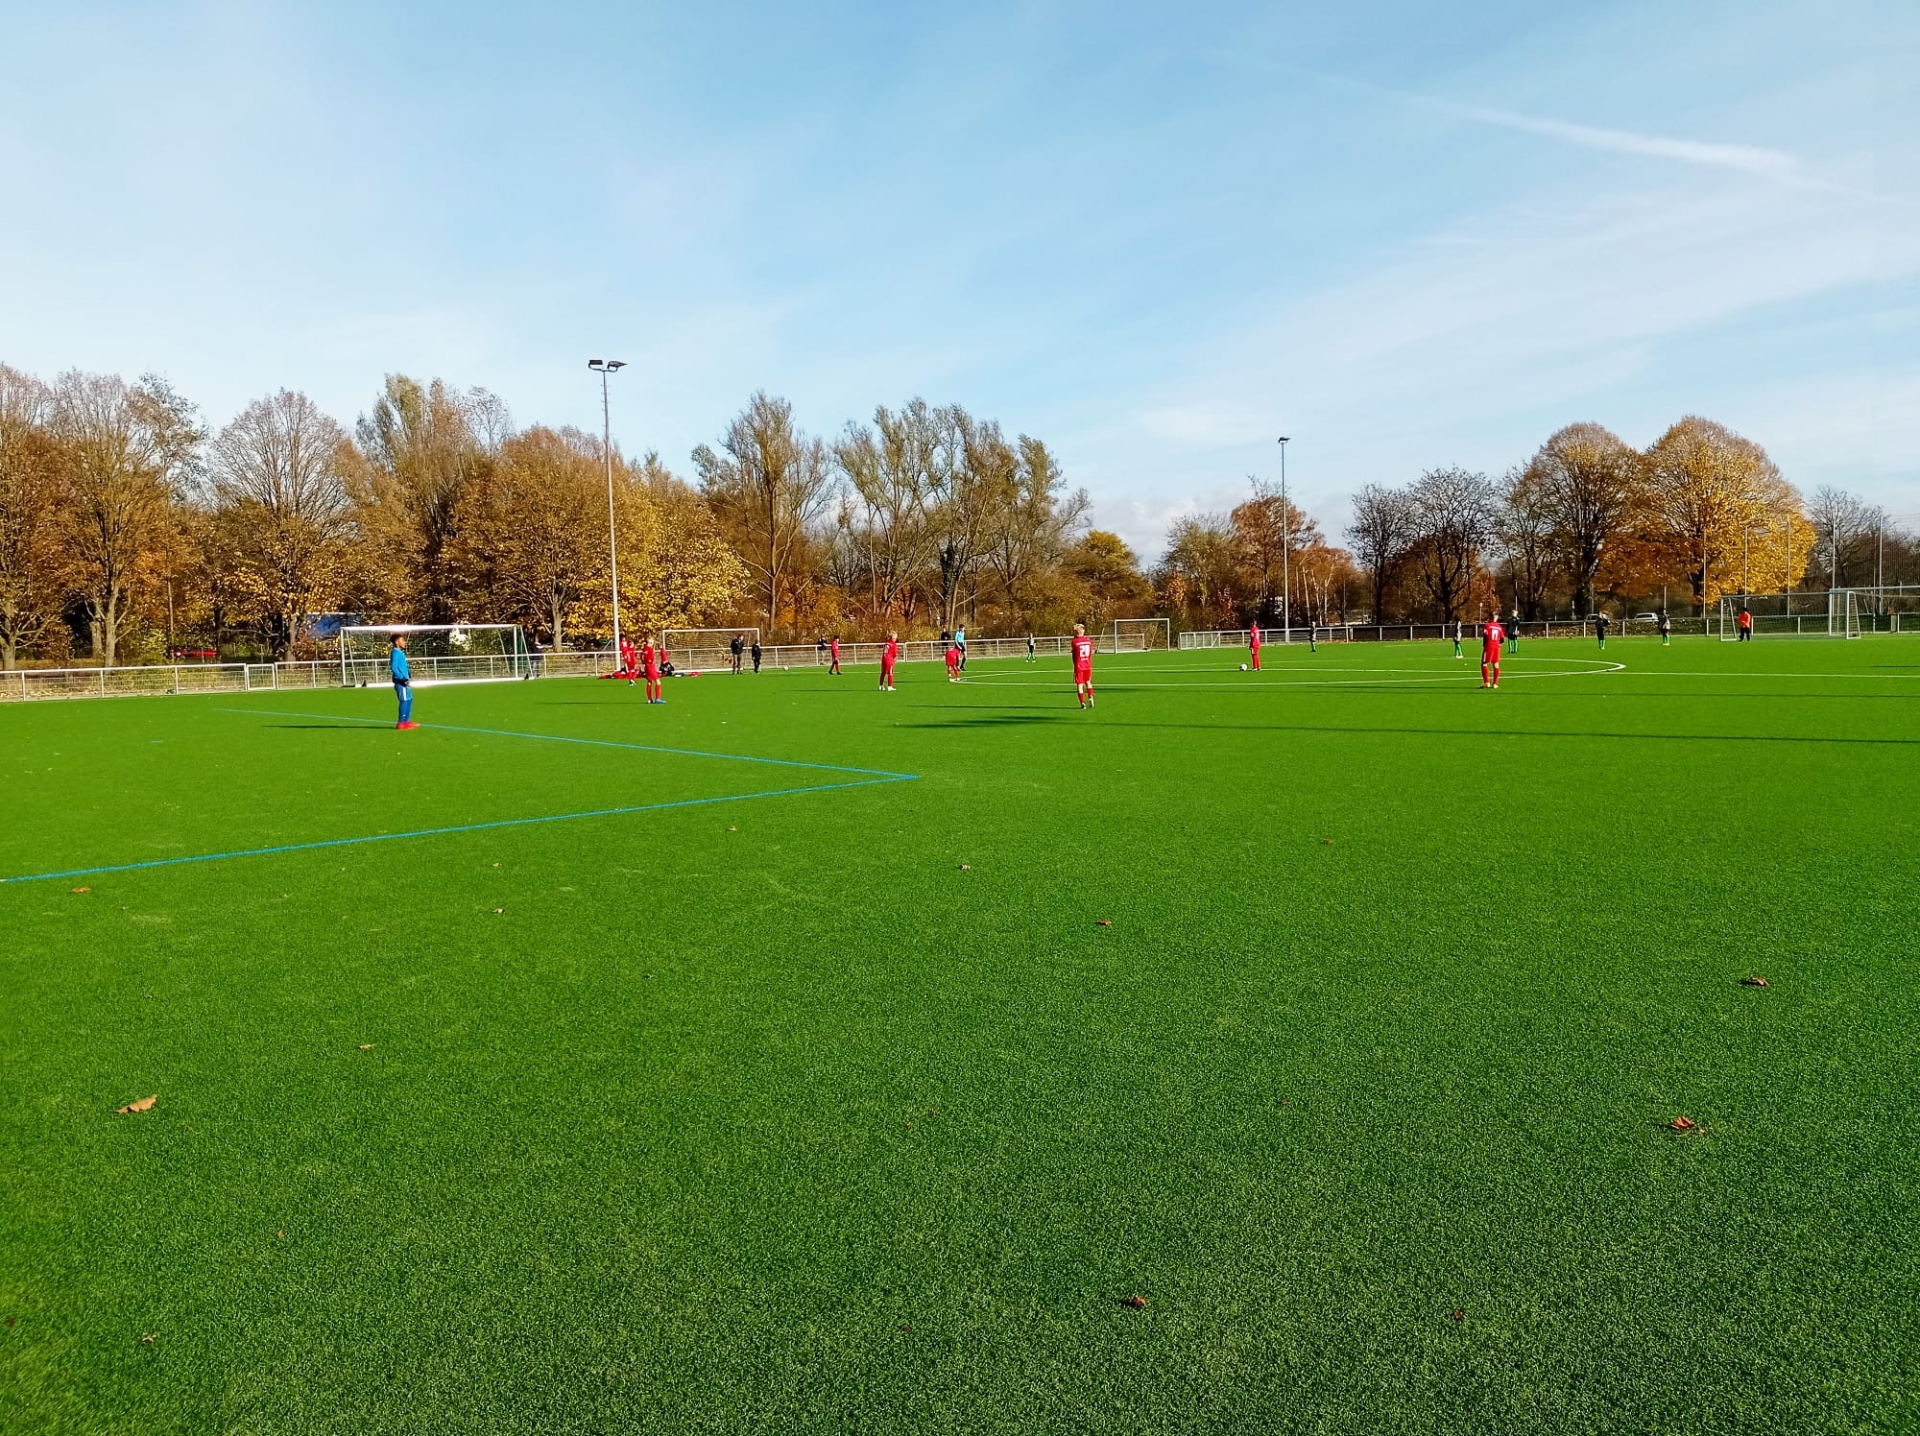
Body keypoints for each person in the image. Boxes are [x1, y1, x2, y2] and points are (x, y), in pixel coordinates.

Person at [390, 633, 416, 729]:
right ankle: (401, 723)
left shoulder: (400, 652)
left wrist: (408, 674)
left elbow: (402, 666)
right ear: (397, 642)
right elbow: (393, 667)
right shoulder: (395, 652)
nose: (404, 642)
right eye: (402, 640)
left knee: (409, 700)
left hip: (405, 681)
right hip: (401, 682)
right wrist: (402, 677)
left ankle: (406, 721)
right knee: (404, 701)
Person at [1071, 623, 1096, 708]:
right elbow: (1090, 653)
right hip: (1087, 665)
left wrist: (1074, 667)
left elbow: (1074, 656)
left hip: (1079, 666)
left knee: (1080, 685)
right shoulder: (1089, 641)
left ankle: (1083, 703)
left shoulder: (1074, 642)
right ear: (1083, 631)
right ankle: (1090, 696)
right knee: (1088, 682)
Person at [1481, 612, 1505, 689]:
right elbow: (1502, 639)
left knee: (1484, 663)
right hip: (1497, 646)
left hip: (1489, 645)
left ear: (1490, 617)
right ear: (1497, 617)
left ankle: (1486, 682)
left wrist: (1484, 645)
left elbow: (1485, 636)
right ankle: (1495, 683)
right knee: (1496, 664)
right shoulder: (1499, 627)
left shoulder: (1487, 625)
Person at [642, 634, 663, 704]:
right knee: (658, 682)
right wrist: (651, 662)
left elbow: (642, 660)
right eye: (652, 643)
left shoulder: (644, 649)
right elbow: (650, 660)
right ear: (650, 642)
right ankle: (657, 699)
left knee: (649, 682)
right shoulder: (650, 650)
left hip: (646, 667)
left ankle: (649, 699)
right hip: (650, 667)